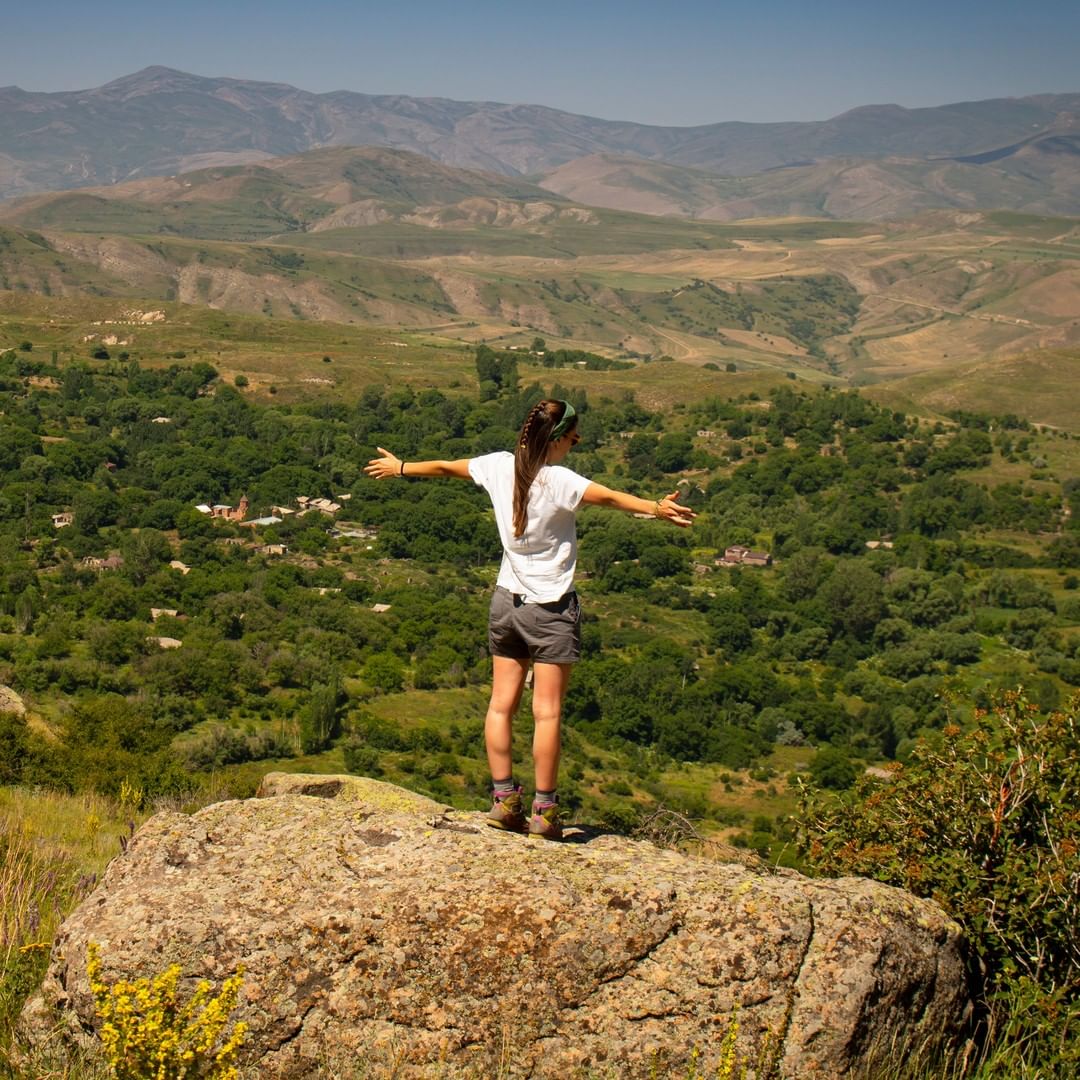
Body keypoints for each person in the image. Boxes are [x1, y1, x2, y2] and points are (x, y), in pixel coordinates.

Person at [365, 398, 694, 840]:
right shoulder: (560, 481)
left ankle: (504, 802)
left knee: (500, 705)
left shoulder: (499, 466)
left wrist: (402, 467)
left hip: (506, 604)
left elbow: (445, 468)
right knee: (547, 714)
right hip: (552, 608)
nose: (576, 444)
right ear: (557, 439)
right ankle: (545, 811)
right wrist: (656, 508)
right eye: (574, 438)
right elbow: (612, 498)